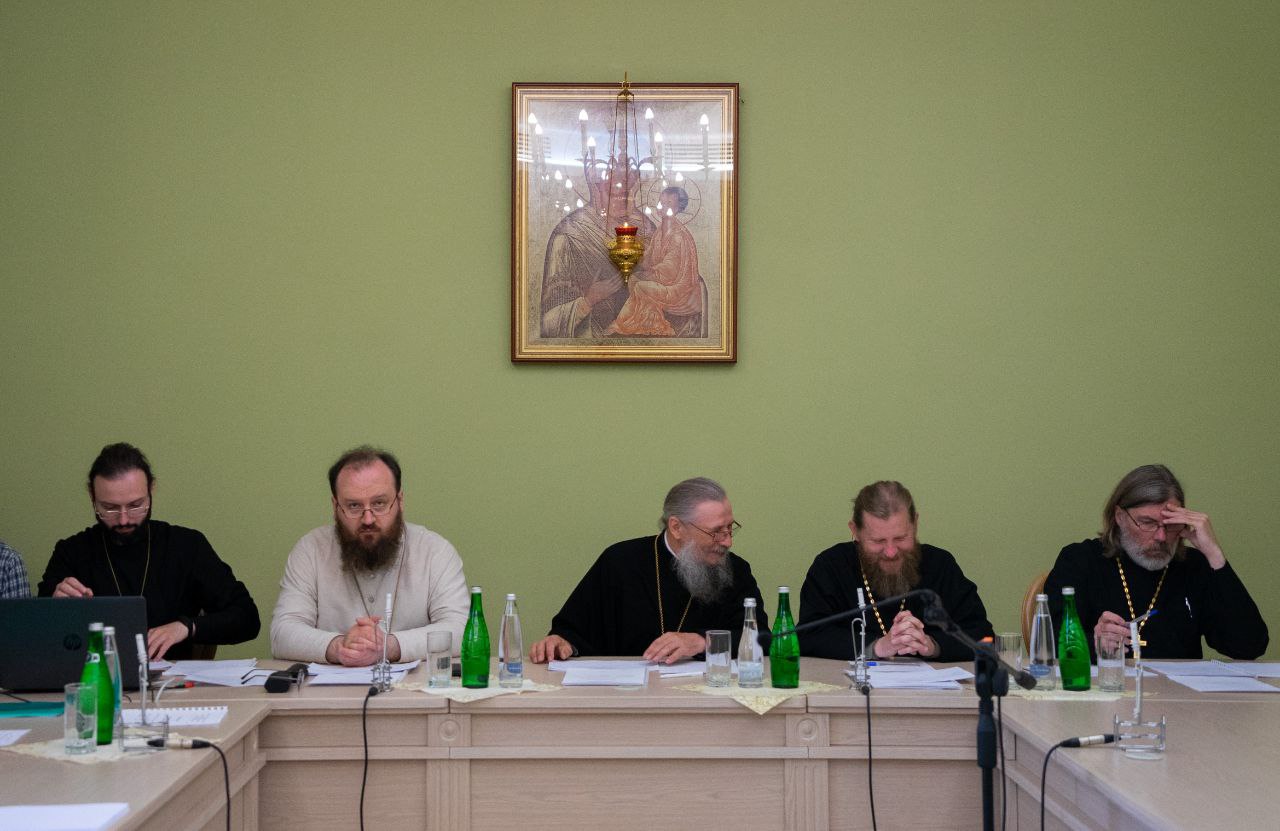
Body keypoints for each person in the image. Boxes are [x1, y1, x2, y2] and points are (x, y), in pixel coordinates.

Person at [38, 443, 260, 660]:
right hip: (95, 678)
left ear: (151, 490)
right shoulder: (71, 552)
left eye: (135, 505)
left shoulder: (186, 546)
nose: (124, 520)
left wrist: (186, 627)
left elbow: (247, 618)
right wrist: (56, 609)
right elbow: (37, 637)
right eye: (110, 508)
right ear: (92, 497)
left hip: (173, 681)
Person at [530, 477, 767, 664]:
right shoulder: (619, 562)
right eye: (716, 532)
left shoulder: (736, 570)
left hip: (703, 698)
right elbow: (573, 629)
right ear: (676, 527)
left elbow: (762, 640)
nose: (727, 541)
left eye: (729, 528)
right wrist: (561, 642)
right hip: (625, 698)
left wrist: (703, 642)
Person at [1045, 464, 1268, 660]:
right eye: (1147, 523)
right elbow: (1049, 642)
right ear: (1120, 517)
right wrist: (1093, 643)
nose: (1161, 537)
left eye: (1171, 525)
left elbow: (1249, 647)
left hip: (1179, 694)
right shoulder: (1080, 560)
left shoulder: (1194, 566)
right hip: (1107, 689)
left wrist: (1215, 556)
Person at [271, 446, 469, 666]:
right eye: (354, 506)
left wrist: (388, 646)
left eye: (379, 504)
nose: (368, 519)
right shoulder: (310, 550)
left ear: (400, 501)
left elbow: (461, 630)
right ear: (335, 506)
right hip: (332, 688)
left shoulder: (435, 551)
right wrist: (339, 646)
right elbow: (282, 633)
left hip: (414, 687)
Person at [798, 481, 993, 661]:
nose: (890, 552)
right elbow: (808, 637)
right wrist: (876, 647)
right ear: (855, 531)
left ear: (915, 524)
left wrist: (933, 645)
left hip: (929, 687)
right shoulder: (831, 566)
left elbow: (982, 634)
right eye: (878, 541)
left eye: (900, 538)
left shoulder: (940, 565)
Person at [605, 186, 705, 337]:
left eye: (668, 203)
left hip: (678, 289)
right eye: (661, 202)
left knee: (641, 286)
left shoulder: (678, 236)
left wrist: (650, 273)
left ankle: (636, 325)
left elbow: (670, 270)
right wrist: (633, 252)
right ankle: (639, 323)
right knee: (633, 279)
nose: (662, 206)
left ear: (677, 208)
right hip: (662, 281)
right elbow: (649, 258)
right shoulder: (659, 232)